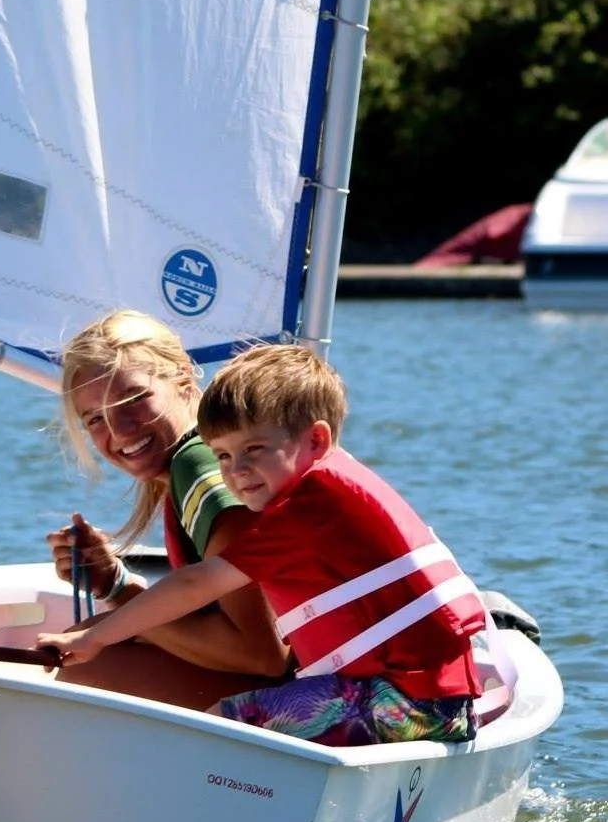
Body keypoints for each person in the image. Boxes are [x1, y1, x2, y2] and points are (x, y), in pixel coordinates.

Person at [39, 343, 486, 746]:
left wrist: (96, 637)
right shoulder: (327, 489)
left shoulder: (307, 511)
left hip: (406, 702)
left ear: (316, 440)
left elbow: (198, 583)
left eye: (254, 449)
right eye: (224, 455)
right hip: (426, 699)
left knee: (227, 724)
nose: (237, 471)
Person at [45, 310, 291, 709]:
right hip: (333, 684)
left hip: (338, 700)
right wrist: (115, 586)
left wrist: (119, 608)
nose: (120, 429)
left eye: (133, 399)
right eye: (96, 419)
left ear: (182, 377)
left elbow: (265, 655)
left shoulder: (203, 469)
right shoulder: (199, 460)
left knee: (90, 669)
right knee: (98, 643)